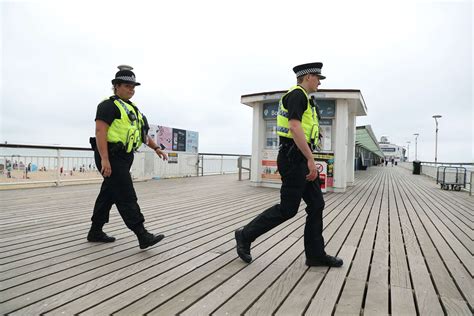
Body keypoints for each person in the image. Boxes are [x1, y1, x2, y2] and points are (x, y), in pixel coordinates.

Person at [235, 62, 343, 267]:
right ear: (308, 77)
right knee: (288, 208)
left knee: (316, 204)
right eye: (318, 78)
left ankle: (315, 254)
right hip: (294, 160)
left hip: (298, 157)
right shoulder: (297, 95)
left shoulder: (305, 99)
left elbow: (301, 127)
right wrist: (311, 159)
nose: (320, 82)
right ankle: (245, 235)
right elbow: (294, 127)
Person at [88, 65, 168, 249]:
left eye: (133, 86)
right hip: (110, 156)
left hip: (124, 157)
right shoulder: (108, 106)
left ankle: (95, 231)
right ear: (116, 86)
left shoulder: (134, 110)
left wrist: (156, 147)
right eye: (127, 85)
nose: (131, 89)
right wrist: (105, 159)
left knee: (108, 194)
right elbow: (100, 131)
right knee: (126, 195)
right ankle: (142, 234)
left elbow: (142, 134)